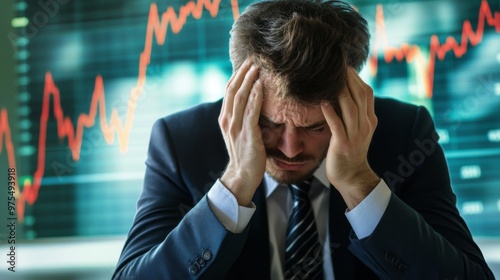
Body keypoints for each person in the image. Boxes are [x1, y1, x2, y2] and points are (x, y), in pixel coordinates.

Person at [112, 0, 494, 279]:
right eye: (269, 124)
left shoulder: (405, 133)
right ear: (238, 97)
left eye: (316, 128)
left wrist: (361, 184)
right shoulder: (180, 142)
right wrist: (233, 187)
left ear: (354, 98)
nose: (291, 148)